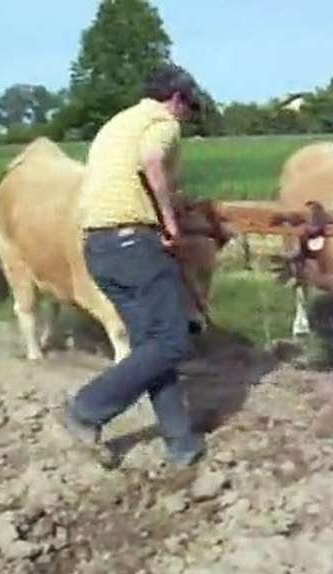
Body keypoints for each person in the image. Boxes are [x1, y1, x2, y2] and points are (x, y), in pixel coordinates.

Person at [60, 63, 206, 469]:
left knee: (154, 346)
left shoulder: (118, 123)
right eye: (189, 107)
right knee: (173, 341)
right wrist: (171, 222)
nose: (188, 115)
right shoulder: (162, 122)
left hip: (98, 245)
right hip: (133, 243)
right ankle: (85, 409)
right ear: (177, 98)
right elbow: (152, 162)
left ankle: (180, 443)